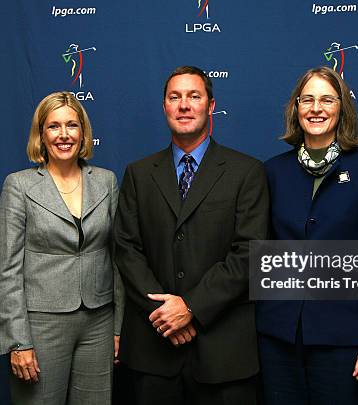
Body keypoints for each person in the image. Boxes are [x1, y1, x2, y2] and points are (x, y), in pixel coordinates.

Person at [113, 66, 269, 405]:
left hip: (224, 354)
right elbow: (126, 249)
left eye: (194, 96)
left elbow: (250, 253)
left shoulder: (247, 172)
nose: (184, 105)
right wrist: (167, 313)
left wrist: (192, 307)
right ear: (165, 107)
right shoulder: (138, 174)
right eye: (175, 97)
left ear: (211, 106)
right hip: (154, 351)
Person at [256, 66, 358, 405]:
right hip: (279, 339)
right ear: (296, 108)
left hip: (345, 340)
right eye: (307, 100)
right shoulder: (272, 171)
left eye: (326, 100)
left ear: (342, 109)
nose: (316, 108)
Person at [0, 91, 123, 405]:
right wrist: (17, 341)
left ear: (83, 132)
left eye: (72, 126)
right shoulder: (19, 185)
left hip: (99, 320)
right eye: (53, 127)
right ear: (41, 134)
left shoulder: (106, 181)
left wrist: (119, 327)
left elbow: (118, 259)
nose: (64, 135)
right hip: (40, 324)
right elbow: (7, 269)